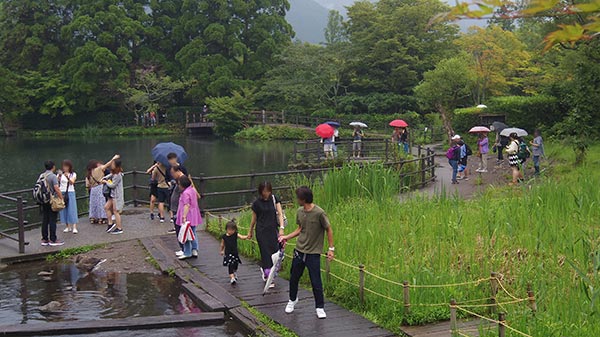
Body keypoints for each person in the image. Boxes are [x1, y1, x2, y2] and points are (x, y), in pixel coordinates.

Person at [280, 186, 334, 319]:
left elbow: (329, 229)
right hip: (299, 249)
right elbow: (300, 229)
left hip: (313, 252)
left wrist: (331, 249)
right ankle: (292, 300)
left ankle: (319, 307)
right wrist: (286, 237)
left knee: (316, 281)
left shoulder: (319, 213)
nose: (297, 199)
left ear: (303, 199)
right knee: (294, 277)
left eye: (298, 197)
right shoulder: (299, 211)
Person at [247, 181, 285, 284]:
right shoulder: (257, 203)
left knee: (275, 253)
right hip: (261, 231)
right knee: (266, 254)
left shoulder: (274, 199)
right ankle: (269, 277)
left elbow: (280, 214)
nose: (266, 193)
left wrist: (281, 228)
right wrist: (250, 231)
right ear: (260, 191)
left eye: (268, 191)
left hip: (273, 230)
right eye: (264, 191)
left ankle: (268, 271)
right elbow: (254, 219)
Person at [85, 155, 119, 225]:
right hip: (99, 187)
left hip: (93, 189)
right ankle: (101, 218)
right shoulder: (98, 169)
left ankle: (93, 217)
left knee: (93, 204)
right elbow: (107, 165)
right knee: (101, 203)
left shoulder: (88, 174)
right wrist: (113, 159)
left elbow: (87, 185)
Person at [39, 161, 65, 246]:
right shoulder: (52, 176)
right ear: (53, 167)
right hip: (51, 200)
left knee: (45, 219)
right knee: (52, 219)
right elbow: (56, 188)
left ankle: (45, 239)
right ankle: (53, 239)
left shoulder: (42, 175)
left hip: (43, 200)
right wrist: (61, 198)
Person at [176, 176, 201, 260]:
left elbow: (187, 205)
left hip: (188, 215)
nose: (178, 185)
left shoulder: (185, 193)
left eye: (179, 184)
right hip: (194, 214)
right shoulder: (192, 190)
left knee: (185, 233)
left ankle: (187, 252)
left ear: (182, 185)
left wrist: (184, 216)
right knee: (193, 232)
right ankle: (195, 249)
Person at [220, 220, 248, 285]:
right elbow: (222, 244)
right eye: (229, 230)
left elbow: (241, 237)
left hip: (235, 253)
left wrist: (247, 236)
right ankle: (232, 277)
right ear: (226, 229)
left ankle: (234, 271)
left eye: (232, 230)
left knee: (235, 264)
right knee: (230, 265)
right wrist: (221, 250)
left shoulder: (235, 234)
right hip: (228, 253)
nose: (231, 231)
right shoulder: (224, 237)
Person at [103, 158, 124, 234]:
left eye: (113, 164)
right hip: (112, 195)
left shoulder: (118, 175)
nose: (111, 165)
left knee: (116, 211)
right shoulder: (114, 173)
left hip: (116, 195)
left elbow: (113, 185)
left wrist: (105, 182)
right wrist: (105, 178)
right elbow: (110, 175)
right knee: (106, 207)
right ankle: (110, 223)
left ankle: (119, 228)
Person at [58, 160, 78, 234]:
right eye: (63, 166)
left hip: (70, 192)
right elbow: (57, 183)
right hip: (62, 192)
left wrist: (67, 177)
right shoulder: (60, 174)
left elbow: (72, 182)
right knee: (64, 209)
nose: (64, 168)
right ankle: (67, 226)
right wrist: (59, 177)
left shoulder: (73, 174)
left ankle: (74, 226)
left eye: (66, 166)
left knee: (72, 209)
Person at [170, 166, 185, 243]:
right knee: (177, 227)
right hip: (175, 207)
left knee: (180, 228)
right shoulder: (178, 180)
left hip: (178, 207)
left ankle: (184, 248)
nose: (172, 175)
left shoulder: (182, 180)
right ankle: (182, 247)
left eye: (173, 173)